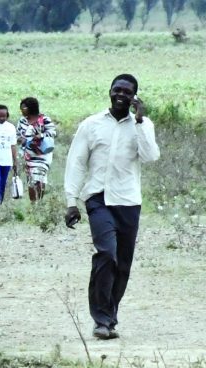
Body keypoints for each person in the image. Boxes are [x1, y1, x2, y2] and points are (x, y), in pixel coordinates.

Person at [65, 74, 160, 340]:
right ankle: (101, 320)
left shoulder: (142, 125)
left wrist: (140, 121)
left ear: (135, 97)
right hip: (97, 198)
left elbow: (151, 157)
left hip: (128, 201)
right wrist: (71, 202)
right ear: (109, 91)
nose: (121, 95)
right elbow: (76, 163)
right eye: (117, 90)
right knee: (106, 254)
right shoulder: (91, 124)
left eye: (127, 92)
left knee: (123, 264)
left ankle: (110, 316)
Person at [16, 96, 56, 204]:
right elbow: (17, 135)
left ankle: (40, 200)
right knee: (31, 179)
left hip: (42, 154)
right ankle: (33, 203)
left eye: (24, 108)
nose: (22, 111)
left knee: (40, 177)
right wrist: (22, 139)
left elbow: (52, 132)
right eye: (21, 108)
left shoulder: (45, 119)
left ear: (31, 108)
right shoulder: (22, 121)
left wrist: (41, 135)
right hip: (28, 154)